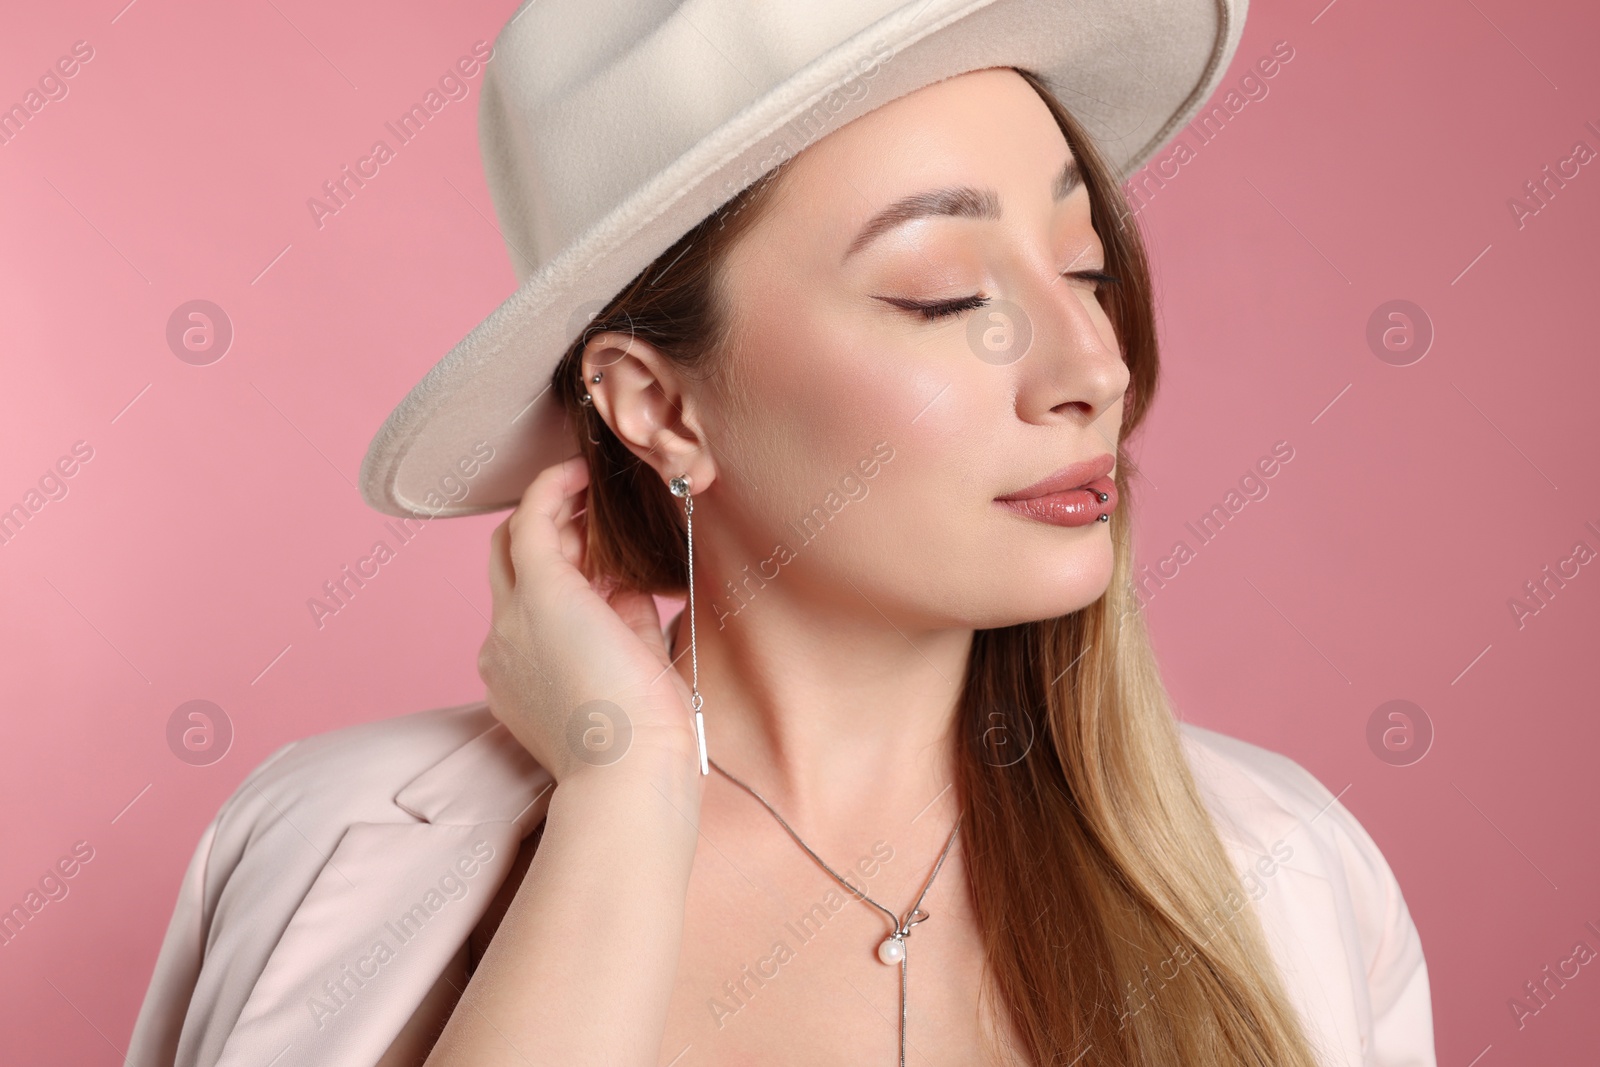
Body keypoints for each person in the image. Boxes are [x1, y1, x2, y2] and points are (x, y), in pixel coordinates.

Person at [127, 1, 1437, 1065]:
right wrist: (625, 795)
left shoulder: (1282, 873)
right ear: (660, 407)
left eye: (1087, 271)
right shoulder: (337, 854)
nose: (1091, 364)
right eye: (945, 294)